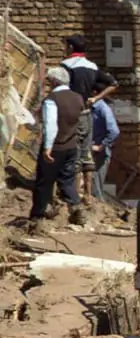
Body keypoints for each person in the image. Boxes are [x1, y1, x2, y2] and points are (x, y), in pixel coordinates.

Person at [61, 35, 119, 195]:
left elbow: (61, 89)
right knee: (86, 152)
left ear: (71, 47)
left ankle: (74, 193)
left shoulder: (66, 66)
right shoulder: (92, 66)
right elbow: (114, 83)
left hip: (71, 114)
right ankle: (87, 195)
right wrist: (95, 98)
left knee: (72, 152)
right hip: (86, 113)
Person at [31, 67, 85, 227]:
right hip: (71, 146)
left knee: (44, 182)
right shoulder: (78, 98)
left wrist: (47, 147)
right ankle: (76, 206)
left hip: (56, 147)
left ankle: (37, 217)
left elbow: (51, 125)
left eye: (49, 81)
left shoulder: (52, 99)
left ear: (54, 82)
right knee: (67, 180)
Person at [90, 96, 119, 201]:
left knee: (96, 186)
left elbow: (114, 131)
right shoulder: (92, 107)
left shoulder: (102, 108)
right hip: (91, 149)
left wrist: (101, 146)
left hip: (99, 152)